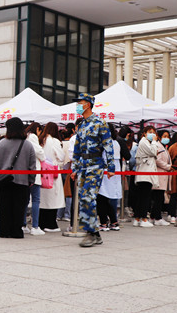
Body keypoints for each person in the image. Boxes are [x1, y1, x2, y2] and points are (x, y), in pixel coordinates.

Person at [71, 93, 115, 247]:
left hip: (95, 165)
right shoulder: (82, 125)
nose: (77, 105)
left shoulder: (100, 123)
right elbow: (77, 148)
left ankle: (90, 233)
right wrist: (74, 167)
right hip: (83, 165)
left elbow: (108, 146)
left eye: (80, 102)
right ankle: (95, 233)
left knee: (88, 197)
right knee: (84, 197)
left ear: (88, 104)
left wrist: (111, 166)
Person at [0, 117, 36, 239]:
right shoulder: (28, 145)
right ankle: (16, 231)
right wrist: (31, 180)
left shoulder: (1, 144)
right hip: (22, 181)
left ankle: (4, 231)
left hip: (3, 180)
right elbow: (32, 165)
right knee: (19, 208)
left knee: (4, 207)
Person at [38, 122, 65, 233]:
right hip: (53, 172)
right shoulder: (54, 141)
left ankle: (41, 222)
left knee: (42, 199)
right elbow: (61, 157)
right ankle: (51, 224)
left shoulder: (41, 140)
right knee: (53, 198)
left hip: (41, 171)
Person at [97, 123, 121, 231]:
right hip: (115, 173)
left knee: (102, 198)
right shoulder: (116, 143)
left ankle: (103, 222)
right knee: (110, 198)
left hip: (105, 173)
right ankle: (114, 222)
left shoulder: (105, 143)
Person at [133, 126, 159, 228]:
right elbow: (153, 152)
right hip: (145, 173)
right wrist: (154, 142)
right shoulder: (144, 142)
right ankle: (143, 218)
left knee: (142, 197)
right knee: (144, 197)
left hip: (145, 173)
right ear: (144, 133)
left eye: (153, 132)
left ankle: (137, 218)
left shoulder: (145, 142)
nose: (152, 134)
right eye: (149, 132)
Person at [25, 122, 46, 234]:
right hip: (34, 173)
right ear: (37, 129)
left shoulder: (25, 136)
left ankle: (24, 225)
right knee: (36, 200)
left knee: (26, 200)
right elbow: (39, 152)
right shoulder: (32, 137)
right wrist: (43, 156)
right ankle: (35, 226)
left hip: (26, 172)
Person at [151, 130, 172, 225]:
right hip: (159, 174)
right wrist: (168, 167)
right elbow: (157, 160)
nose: (166, 138)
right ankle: (157, 218)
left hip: (163, 175)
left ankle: (153, 216)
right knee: (158, 198)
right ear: (159, 137)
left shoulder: (164, 147)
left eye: (168, 136)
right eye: (164, 136)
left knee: (159, 197)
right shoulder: (158, 146)